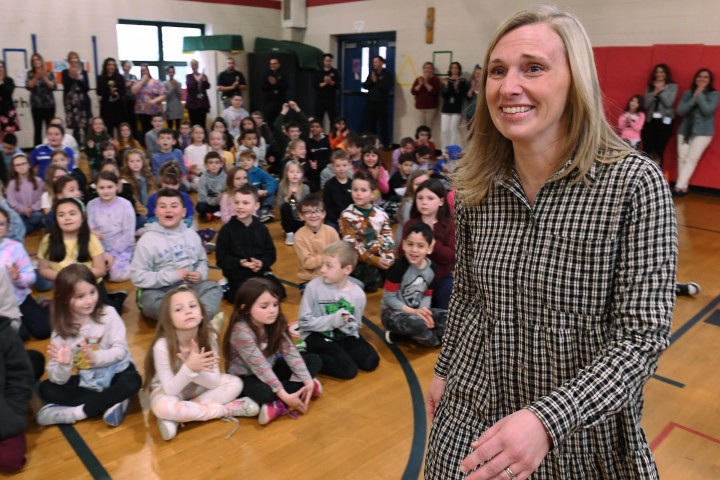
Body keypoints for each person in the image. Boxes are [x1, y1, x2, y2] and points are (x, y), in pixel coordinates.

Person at [424, 7, 677, 479]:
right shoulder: (478, 184)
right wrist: (444, 369)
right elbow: (469, 296)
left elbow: (642, 338)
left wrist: (547, 420)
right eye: (497, 71)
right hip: (474, 405)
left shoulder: (633, 185)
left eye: (533, 68)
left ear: (575, 81)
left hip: (581, 428)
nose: (508, 87)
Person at [143, 284, 259, 441]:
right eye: (178, 309)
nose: (188, 311)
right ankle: (225, 410)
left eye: (192, 306)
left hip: (200, 389)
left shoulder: (209, 337)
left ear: (202, 314)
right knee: (162, 407)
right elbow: (170, 389)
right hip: (170, 391)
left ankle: (178, 418)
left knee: (235, 383)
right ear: (168, 319)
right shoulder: (162, 346)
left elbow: (213, 383)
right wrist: (188, 368)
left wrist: (196, 370)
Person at [36, 264, 142, 427]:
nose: (90, 300)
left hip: (117, 372)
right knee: (46, 388)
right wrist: (64, 365)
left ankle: (77, 413)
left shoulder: (109, 314)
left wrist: (95, 358)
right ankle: (113, 401)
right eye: (80, 296)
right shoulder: (60, 332)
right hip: (89, 381)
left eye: (92, 292)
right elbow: (58, 379)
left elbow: (120, 351)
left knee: (133, 381)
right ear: (64, 299)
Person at [224, 278, 323, 425]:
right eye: (264, 306)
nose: (272, 310)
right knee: (265, 393)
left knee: (314, 360)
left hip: (271, 368)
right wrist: (285, 396)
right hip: (247, 376)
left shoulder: (275, 321)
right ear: (245, 309)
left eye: (275, 304)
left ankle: (288, 396)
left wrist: (307, 380)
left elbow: (290, 352)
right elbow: (261, 367)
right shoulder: (241, 332)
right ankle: (287, 396)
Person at [130, 188, 221, 320]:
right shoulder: (146, 240)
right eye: (163, 206)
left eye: (174, 206)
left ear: (183, 212)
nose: (168, 210)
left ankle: (194, 319)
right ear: (156, 212)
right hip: (161, 291)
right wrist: (172, 276)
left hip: (190, 287)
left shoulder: (191, 235)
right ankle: (190, 318)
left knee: (214, 288)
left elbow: (202, 261)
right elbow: (138, 276)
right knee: (150, 302)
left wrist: (200, 274)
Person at [298, 240, 379, 379]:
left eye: (328, 266)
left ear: (346, 270)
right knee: (348, 370)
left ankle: (338, 352)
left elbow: (356, 325)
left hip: (343, 336)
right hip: (317, 335)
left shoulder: (358, 294)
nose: (322, 270)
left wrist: (349, 324)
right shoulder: (313, 287)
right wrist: (334, 320)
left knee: (370, 361)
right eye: (323, 264)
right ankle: (305, 356)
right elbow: (304, 323)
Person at [216, 184, 285, 303]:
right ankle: (226, 286)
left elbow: (270, 254)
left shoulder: (262, 229)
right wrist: (240, 263)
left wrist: (261, 263)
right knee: (243, 298)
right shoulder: (226, 230)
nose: (240, 206)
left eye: (245, 203)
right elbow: (221, 259)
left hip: (260, 273)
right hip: (237, 275)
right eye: (237, 203)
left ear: (256, 206)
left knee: (279, 292)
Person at [382, 222, 447, 347]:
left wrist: (424, 311)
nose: (414, 250)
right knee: (422, 328)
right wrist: (414, 312)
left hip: (416, 310)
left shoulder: (432, 268)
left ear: (429, 248)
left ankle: (402, 336)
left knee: (452, 317)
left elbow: (427, 295)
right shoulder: (398, 267)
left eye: (420, 246)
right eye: (410, 244)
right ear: (404, 244)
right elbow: (389, 298)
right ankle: (432, 338)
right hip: (393, 312)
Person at [400, 178, 455, 309]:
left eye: (430, 198)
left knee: (446, 303)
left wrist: (432, 241)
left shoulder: (449, 224)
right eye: (420, 198)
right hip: (415, 278)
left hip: (441, 278)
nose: (424, 202)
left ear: (441, 201)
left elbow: (451, 256)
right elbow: (401, 251)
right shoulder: (411, 224)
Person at [339, 171, 395, 292]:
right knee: (371, 280)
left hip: (379, 255)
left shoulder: (381, 213)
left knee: (396, 272)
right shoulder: (346, 216)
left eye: (363, 190)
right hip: (360, 259)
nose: (358, 193)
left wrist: (388, 257)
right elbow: (352, 245)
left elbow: (388, 236)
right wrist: (374, 261)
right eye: (355, 190)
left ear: (373, 194)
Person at [0, 208, 50, 340]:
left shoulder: (15, 247)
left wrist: (18, 277)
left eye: (1, 224)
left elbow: (31, 277)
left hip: (20, 299)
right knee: (20, 336)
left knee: (44, 331)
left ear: (7, 227)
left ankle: (43, 304)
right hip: (2, 307)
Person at [0, 309, 36, 472]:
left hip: (5, 411)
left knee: (10, 459)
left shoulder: (4, 331)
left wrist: (13, 414)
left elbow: (20, 377)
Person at [673, 68, 718, 196]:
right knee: (682, 159)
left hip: (703, 132)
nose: (702, 79)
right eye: (699, 76)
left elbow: (708, 111)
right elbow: (680, 111)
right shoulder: (688, 93)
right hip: (685, 130)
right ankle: (683, 187)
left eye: (705, 77)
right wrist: (693, 98)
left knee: (691, 160)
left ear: (710, 80)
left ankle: (677, 187)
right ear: (695, 79)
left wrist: (700, 95)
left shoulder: (714, 94)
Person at [87, 171, 135, 282]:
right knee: (97, 273)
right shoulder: (91, 205)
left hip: (121, 248)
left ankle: (135, 264)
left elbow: (128, 234)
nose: (106, 191)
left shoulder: (125, 205)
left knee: (116, 276)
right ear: (96, 188)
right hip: (99, 249)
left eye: (110, 187)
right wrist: (102, 254)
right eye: (101, 188)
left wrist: (112, 254)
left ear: (117, 186)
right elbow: (91, 230)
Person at [293, 194, 340, 284]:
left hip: (331, 274)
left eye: (317, 211)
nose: (313, 215)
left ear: (323, 214)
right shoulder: (299, 236)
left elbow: (339, 255)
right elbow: (307, 263)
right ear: (301, 215)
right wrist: (328, 258)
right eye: (308, 212)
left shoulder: (331, 231)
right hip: (309, 279)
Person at [641, 63, 678, 166]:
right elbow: (645, 104)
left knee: (659, 150)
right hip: (650, 121)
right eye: (657, 72)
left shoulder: (672, 86)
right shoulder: (650, 86)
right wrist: (654, 93)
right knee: (647, 149)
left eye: (662, 72)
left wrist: (661, 91)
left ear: (666, 73)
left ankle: (657, 172)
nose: (659, 74)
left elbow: (668, 103)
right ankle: (643, 171)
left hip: (665, 122)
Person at [6, 153, 44, 234]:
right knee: (15, 220)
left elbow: (42, 198)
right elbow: (11, 201)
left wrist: (32, 208)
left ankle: (22, 230)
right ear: (14, 168)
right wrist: (23, 209)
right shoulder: (12, 184)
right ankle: (27, 228)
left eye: (23, 163)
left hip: (34, 212)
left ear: (29, 165)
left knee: (38, 217)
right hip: (19, 214)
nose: (21, 167)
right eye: (18, 165)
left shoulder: (38, 181)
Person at [26, 53, 57, 146]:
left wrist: (44, 77)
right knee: (37, 129)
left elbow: (53, 86)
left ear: (41, 60)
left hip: (49, 105)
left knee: (50, 128)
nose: (36, 62)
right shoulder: (30, 74)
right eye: (33, 60)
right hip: (36, 106)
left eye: (37, 59)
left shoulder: (49, 73)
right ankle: (38, 149)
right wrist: (36, 77)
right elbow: (29, 86)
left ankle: (51, 147)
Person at [362, 56, 394, 147]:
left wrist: (376, 81)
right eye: (373, 62)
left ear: (381, 63)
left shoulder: (387, 75)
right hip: (371, 103)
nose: (374, 64)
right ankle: (372, 143)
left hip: (381, 103)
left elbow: (385, 88)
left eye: (376, 62)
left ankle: (385, 144)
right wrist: (371, 80)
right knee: (370, 125)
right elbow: (365, 86)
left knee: (383, 125)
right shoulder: (372, 73)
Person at [238, 150, 277, 223]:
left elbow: (272, 181)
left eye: (248, 160)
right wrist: (255, 192)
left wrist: (267, 191)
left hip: (258, 198)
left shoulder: (259, 171)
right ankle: (258, 213)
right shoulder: (239, 172)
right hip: (245, 196)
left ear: (253, 161)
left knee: (268, 188)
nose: (245, 162)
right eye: (242, 160)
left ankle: (265, 210)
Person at [61, 52, 92, 143]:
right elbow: (66, 86)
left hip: (83, 102)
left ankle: (86, 146)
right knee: (75, 127)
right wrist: (72, 77)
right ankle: (76, 145)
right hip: (71, 103)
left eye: (75, 58)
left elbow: (86, 88)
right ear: (69, 61)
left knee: (85, 126)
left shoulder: (84, 72)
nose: (74, 60)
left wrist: (78, 77)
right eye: (72, 58)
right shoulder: (65, 72)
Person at [278, 159, 309, 245]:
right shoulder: (282, 186)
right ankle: (289, 233)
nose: (295, 174)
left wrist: (296, 197)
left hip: (301, 219)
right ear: (286, 174)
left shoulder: (305, 188)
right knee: (286, 206)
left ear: (302, 174)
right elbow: (280, 206)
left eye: (298, 172)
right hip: (289, 219)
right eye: (292, 172)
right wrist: (288, 197)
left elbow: (306, 206)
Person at [132, 64, 167, 138]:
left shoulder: (156, 82)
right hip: (141, 111)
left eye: (145, 70)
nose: (143, 72)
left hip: (154, 111)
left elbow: (163, 94)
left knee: (156, 130)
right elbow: (133, 91)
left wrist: (154, 101)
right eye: (141, 71)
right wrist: (142, 81)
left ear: (149, 71)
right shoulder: (138, 82)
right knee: (145, 131)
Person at [322, 149, 353, 229]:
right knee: (330, 229)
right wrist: (338, 220)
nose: (341, 168)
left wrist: (348, 219)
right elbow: (327, 207)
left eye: (344, 165)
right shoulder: (329, 185)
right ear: (333, 167)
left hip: (350, 219)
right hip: (333, 220)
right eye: (338, 166)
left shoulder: (353, 184)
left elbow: (355, 204)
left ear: (349, 165)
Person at [440, 61, 468, 149]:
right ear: (450, 69)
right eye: (453, 68)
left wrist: (456, 87)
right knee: (444, 130)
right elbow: (444, 95)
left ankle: (452, 151)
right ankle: (444, 150)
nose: (454, 69)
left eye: (456, 68)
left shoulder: (462, 81)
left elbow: (461, 96)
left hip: (456, 109)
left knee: (453, 130)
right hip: (446, 109)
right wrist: (446, 86)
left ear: (459, 69)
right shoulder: (446, 80)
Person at [97, 58, 126, 137]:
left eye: (113, 65)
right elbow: (99, 92)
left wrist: (116, 93)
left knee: (120, 128)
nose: (111, 67)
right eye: (109, 65)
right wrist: (109, 92)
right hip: (106, 106)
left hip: (118, 106)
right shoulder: (101, 78)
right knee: (109, 128)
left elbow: (123, 91)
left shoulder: (120, 77)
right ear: (105, 66)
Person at [196, 151, 227, 221]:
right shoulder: (203, 178)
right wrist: (216, 200)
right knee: (200, 207)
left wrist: (223, 198)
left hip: (221, 203)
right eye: (210, 163)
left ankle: (212, 214)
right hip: (209, 203)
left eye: (217, 162)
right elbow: (202, 198)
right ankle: (216, 213)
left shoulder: (225, 177)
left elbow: (228, 192)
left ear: (221, 164)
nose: (214, 165)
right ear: (206, 165)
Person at [412, 62, 441, 130]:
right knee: (420, 126)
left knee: (428, 127)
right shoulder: (418, 79)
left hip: (431, 108)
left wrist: (425, 83)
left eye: (429, 68)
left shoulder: (435, 80)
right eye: (425, 68)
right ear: (423, 69)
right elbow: (413, 91)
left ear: (432, 70)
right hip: (420, 107)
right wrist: (419, 85)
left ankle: (427, 137)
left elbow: (434, 92)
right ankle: (420, 137)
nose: (427, 70)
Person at [315, 53, 340, 128]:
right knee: (318, 118)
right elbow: (315, 85)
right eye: (327, 60)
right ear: (323, 61)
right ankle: (319, 132)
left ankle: (332, 133)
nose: (328, 62)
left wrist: (331, 82)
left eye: (330, 61)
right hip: (320, 98)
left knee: (332, 118)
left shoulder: (335, 72)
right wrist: (325, 83)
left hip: (331, 98)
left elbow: (338, 85)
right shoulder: (319, 72)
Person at [261, 57, 288, 125]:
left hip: (280, 102)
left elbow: (286, 87)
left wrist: (276, 83)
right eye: (271, 64)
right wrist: (270, 83)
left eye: (274, 63)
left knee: (281, 121)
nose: (272, 65)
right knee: (269, 121)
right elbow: (263, 87)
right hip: (269, 102)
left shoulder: (283, 74)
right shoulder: (266, 74)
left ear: (279, 64)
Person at [0, 61, 19, 143]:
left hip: (8, 110)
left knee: (10, 135)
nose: (0, 69)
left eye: (1, 66)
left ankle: (11, 149)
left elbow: (8, 92)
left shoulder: (9, 80)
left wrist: (1, 82)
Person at [121, 60, 140, 141]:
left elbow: (136, 87)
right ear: (123, 67)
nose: (128, 68)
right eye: (126, 66)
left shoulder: (134, 76)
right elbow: (120, 87)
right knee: (125, 120)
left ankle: (135, 138)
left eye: (129, 66)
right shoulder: (120, 77)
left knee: (133, 120)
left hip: (133, 101)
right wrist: (126, 85)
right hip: (123, 102)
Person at [163, 66, 183, 131]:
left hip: (178, 107)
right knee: (170, 127)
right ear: (167, 73)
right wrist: (172, 88)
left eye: (172, 72)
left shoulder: (178, 83)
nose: (171, 74)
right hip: (169, 107)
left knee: (178, 127)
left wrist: (176, 88)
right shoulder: (165, 84)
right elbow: (166, 97)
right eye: (170, 72)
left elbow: (180, 95)